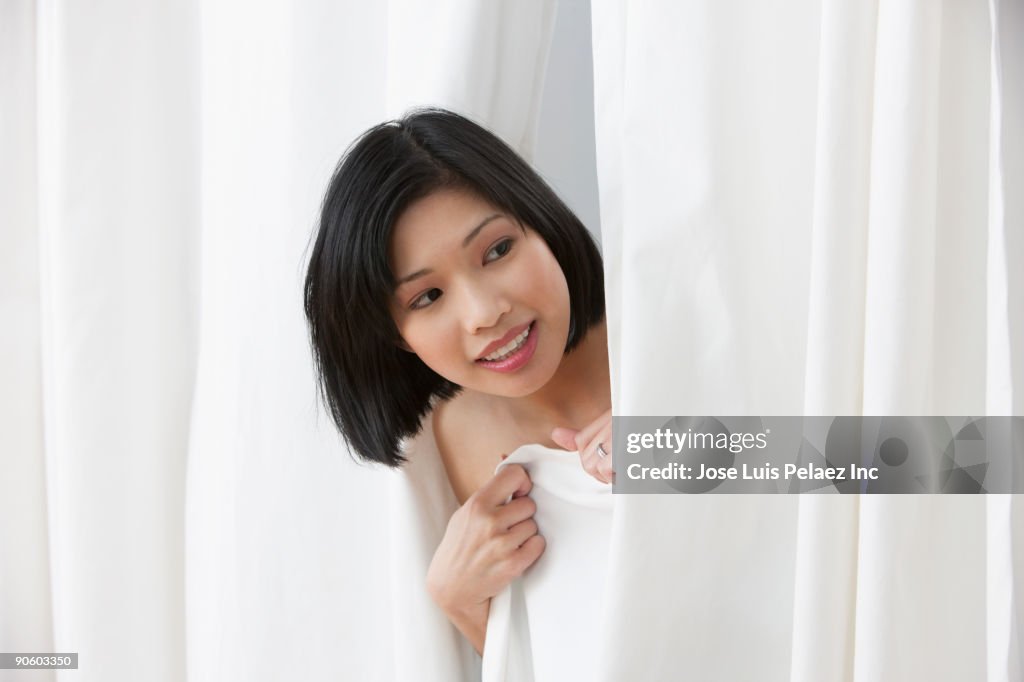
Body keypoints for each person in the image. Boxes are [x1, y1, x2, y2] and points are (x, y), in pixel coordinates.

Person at [303, 108, 613, 659]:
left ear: (540, 223)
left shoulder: (662, 328)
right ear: (398, 336)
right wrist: (459, 601)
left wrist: (685, 450)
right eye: (427, 297)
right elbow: (553, 657)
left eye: (497, 250)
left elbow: (823, 462)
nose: (484, 313)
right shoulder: (451, 439)